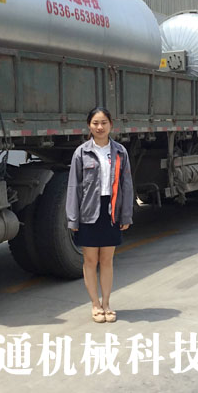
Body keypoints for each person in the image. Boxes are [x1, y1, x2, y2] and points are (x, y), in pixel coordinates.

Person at [66, 107, 134, 323]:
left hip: (111, 211)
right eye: (95, 123)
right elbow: (73, 186)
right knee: (90, 260)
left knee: (106, 260)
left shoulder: (120, 152)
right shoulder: (81, 153)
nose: (100, 127)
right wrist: (72, 218)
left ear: (111, 125)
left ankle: (106, 304)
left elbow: (126, 185)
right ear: (89, 125)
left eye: (104, 122)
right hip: (88, 211)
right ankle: (95, 305)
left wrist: (126, 215)